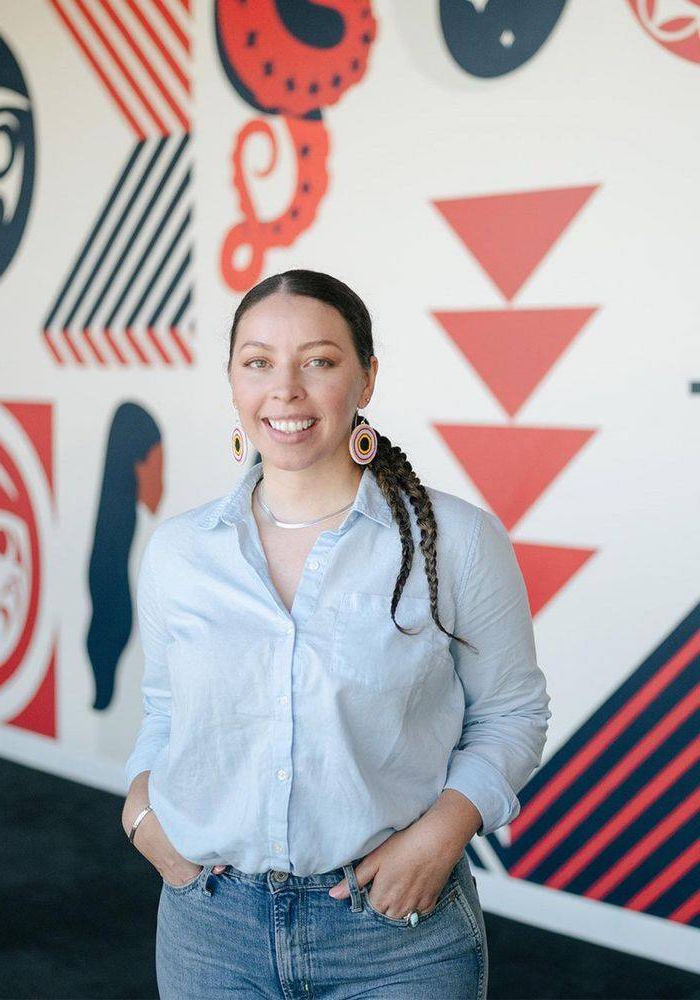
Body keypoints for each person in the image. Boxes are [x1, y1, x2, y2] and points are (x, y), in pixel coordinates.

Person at [121, 269, 552, 999]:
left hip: (393, 932)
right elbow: (166, 713)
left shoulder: (457, 540)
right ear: (232, 380)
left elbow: (512, 716)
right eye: (258, 362)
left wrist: (444, 834)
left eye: (318, 361)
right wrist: (140, 816)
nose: (284, 390)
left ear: (366, 377)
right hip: (209, 928)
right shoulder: (179, 552)